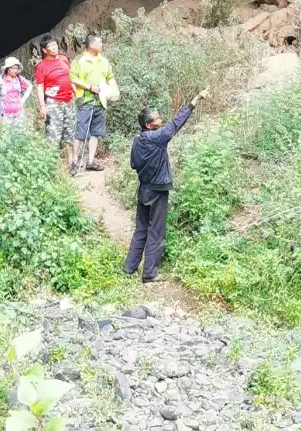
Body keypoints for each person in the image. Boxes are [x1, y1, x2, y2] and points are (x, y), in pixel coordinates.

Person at [123, 87, 210, 283]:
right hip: (158, 190)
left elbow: (134, 164)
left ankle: (129, 267)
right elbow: (176, 124)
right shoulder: (158, 138)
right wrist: (194, 101)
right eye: (157, 119)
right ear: (149, 125)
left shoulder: (137, 140)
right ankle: (150, 273)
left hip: (143, 189)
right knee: (156, 231)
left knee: (141, 228)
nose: (160, 121)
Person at [70, 32, 117, 174]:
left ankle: (90, 161)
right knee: (80, 133)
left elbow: (110, 77)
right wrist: (90, 87)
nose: (102, 45)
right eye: (100, 42)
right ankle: (74, 162)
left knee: (96, 132)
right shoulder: (80, 60)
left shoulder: (104, 61)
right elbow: (73, 78)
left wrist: (115, 91)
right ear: (91, 45)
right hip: (85, 101)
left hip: (100, 102)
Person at [34, 34, 77, 173]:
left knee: (70, 134)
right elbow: (40, 87)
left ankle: (71, 165)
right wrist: (42, 106)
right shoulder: (41, 66)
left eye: (55, 45)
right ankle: (53, 169)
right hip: (53, 104)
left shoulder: (64, 59)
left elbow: (70, 77)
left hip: (69, 101)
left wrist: (76, 94)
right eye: (51, 46)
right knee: (53, 137)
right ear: (45, 50)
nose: (54, 47)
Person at [0, 56, 31, 130]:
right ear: (7, 69)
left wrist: (23, 99)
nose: (15, 70)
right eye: (12, 68)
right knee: (6, 135)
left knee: (20, 134)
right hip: (6, 113)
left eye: (16, 68)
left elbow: (30, 86)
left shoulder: (19, 78)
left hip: (19, 111)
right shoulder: (1, 80)